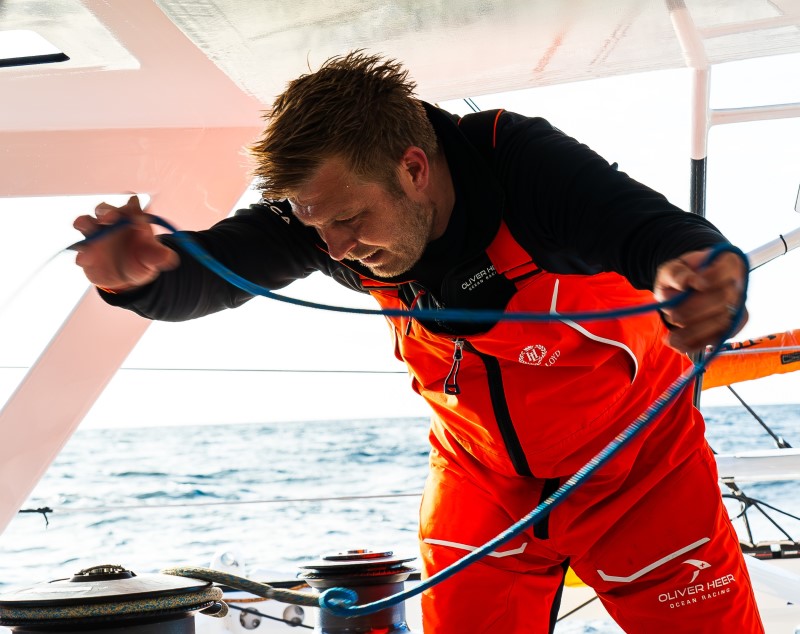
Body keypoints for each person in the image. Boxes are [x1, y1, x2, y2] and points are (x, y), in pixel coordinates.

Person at [73, 51, 759, 633]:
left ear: (413, 168)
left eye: (350, 218)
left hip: (639, 471)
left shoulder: (524, 170)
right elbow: (204, 277)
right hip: (483, 480)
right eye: (316, 226)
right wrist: (139, 280)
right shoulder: (323, 218)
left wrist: (696, 274)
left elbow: (653, 235)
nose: (336, 248)